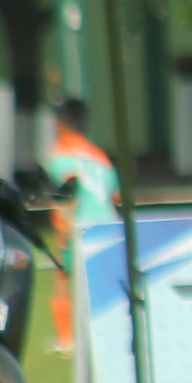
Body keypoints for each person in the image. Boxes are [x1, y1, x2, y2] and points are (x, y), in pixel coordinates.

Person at [43, 98, 118, 354]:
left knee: (62, 275)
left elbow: (68, 192)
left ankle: (66, 340)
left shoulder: (60, 154)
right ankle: (108, 331)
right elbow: (113, 195)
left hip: (79, 223)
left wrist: (62, 228)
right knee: (102, 280)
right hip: (107, 221)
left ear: (60, 124)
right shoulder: (99, 156)